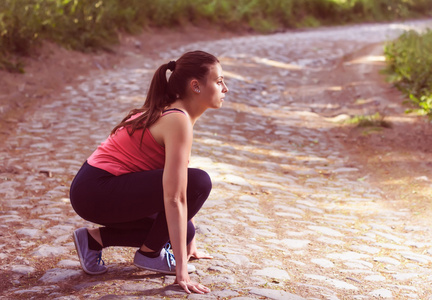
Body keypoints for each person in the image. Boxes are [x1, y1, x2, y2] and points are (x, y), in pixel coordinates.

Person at [69, 50, 229, 294]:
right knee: (201, 181)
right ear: (196, 86)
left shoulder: (174, 113)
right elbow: (177, 196)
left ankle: (94, 239)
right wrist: (182, 272)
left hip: (94, 188)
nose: (225, 88)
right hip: (97, 189)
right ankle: (150, 253)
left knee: (184, 228)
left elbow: (179, 181)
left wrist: (189, 243)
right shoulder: (177, 120)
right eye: (218, 81)